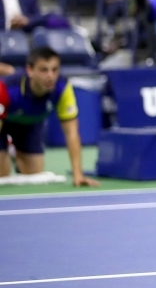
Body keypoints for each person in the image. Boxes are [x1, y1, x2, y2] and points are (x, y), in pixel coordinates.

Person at [0, 47, 99, 187]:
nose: (50, 76)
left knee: (34, 174)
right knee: (2, 177)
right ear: (30, 70)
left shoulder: (63, 88)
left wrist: (78, 175)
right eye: (43, 70)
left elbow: (71, 133)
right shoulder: (7, 88)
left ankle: (15, 154)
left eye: (55, 69)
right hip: (3, 123)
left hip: (30, 124)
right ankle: (8, 146)